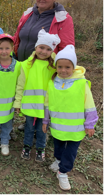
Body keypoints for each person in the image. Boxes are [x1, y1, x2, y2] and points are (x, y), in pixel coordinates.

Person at [13, 0, 75, 131]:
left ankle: (42, 126)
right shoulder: (28, 14)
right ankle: (30, 121)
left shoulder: (63, 19)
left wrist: (62, 68)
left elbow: (67, 46)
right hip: (25, 63)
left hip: (47, 66)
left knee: (43, 95)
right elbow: (18, 36)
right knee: (29, 92)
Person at [42, 45, 98, 191]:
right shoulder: (52, 82)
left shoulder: (81, 84)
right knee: (58, 146)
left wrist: (90, 124)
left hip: (76, 129)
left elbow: (89, 105)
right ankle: (58, 160)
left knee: (71, 151)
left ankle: (63, 172)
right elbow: (47, 104)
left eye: (67, 67)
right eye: (60, 66)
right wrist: (46, 121)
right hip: (57, 126)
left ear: (74, 67)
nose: (63, 70)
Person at [14, 30, 61, 162]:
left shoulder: (54, 67)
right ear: (36, 47)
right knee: (29, 128)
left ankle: (41, 149)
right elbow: (20, 85)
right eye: (41, 47)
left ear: (52, 51)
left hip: (45, 106)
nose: (44, 51)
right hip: (30, 105)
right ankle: (27, 147)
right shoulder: (27, 65)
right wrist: (18, 102)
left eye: (48, 49)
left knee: (42, 129)